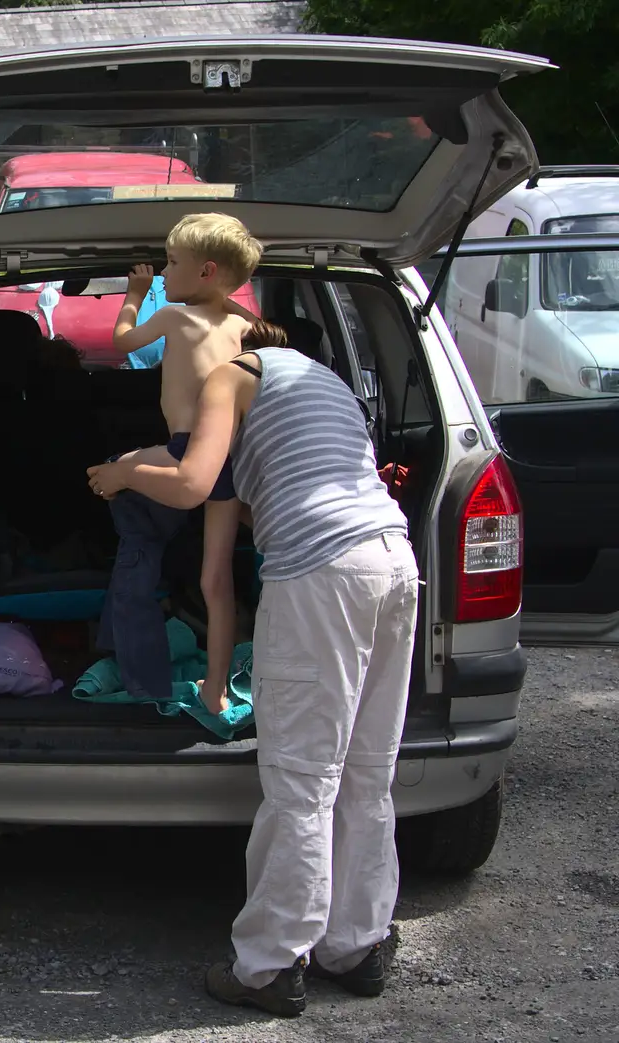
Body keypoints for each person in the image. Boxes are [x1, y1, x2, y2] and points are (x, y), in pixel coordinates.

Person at [85, 320, 418, 1018]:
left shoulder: (236, 375)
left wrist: (121, 473)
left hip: (321, 570)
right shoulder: (324, 387)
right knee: (365, 768)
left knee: (302, 777)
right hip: (391, 558)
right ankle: (356, 944)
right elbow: (217, 557)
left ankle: (269, 964)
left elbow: (189, 479)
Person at [102, 213, 262, 716]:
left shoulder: (175, 317)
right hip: (232, 458)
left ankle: (132, 633)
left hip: (186, 450)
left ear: (206, 271)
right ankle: (215, 689)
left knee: (114, 469)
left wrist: (134, 291)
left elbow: (123, 341)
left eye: (172, 264)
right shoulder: (241, 323)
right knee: (216, 582)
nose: (164, 275)